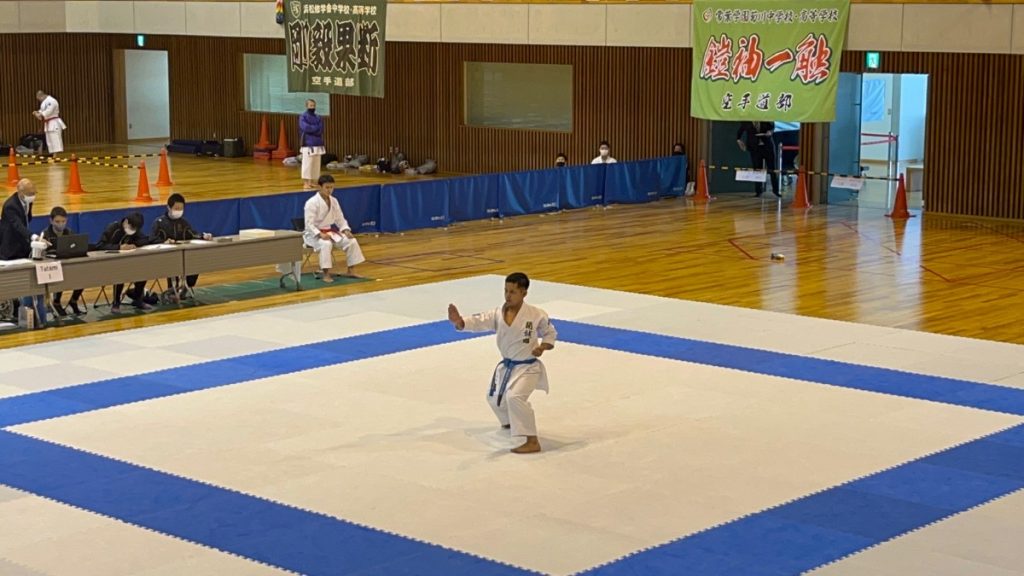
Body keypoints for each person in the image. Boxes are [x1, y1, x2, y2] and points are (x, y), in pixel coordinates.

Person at [447, 272, 557, 454]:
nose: (508, 295)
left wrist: (542, 347)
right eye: (506, 291)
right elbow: (479, 321)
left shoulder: (536, 314)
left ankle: (532, 440)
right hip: (507, 366)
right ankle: (510, 423)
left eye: (513, 292)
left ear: (524, 292)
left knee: (514, 397)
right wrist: (460, 322)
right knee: (494, 399)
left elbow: (550, 333)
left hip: (528, 366)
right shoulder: (498, 313)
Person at [303, 174, 365, 283]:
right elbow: (309, 224)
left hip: (329, 232)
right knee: (326, 244)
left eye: (331, 187)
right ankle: (326, 274)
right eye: (327, 187)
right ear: (319, 187)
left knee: (351, 241)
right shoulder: (311, 202)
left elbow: (340, 218)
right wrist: (319, 234)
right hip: (312, 235)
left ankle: (351, 270)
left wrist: (346, 229)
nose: (330, 190)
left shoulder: (334, 201)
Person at [152, 193, 213, 301]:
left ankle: (187, 286)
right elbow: (151, 239)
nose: (178, 211)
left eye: (181, 208)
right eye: (176, 208)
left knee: (196, 260)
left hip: (182, 254)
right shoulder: (159, 223)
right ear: (168, 208)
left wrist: (203, 236)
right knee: (174, 261)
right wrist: (164, 242)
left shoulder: (183, 222)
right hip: (165, 256)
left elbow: (191, 234)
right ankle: (172, 288)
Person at [96, 212, 152, 313]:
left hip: (128, 262)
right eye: (132, 227)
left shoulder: (135, 231)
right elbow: (100, 246)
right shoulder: (113, 228)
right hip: (110, 261)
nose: (133, 231)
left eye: (135, 229)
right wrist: (119, 247)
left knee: (143, 270)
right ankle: (116, 302)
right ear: (126, 222)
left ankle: (138, 298)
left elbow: (145, 240)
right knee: (120, 272)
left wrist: (133, 244)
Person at [42, 206, 85, 317]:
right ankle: (56, 302)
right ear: (51, 221)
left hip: (68, 264)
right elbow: (43, 254)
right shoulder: (45, 234)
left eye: (63, 221)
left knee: (83, 276)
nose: (60, 224)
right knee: (60, 276)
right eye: (57, 221)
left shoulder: (69, 232)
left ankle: (74, 301)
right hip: (53, 267)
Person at [736, 121, 780, 198]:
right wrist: (739, 141)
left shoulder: (765, 118)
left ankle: (775, 190)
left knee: (772, 169)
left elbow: (772, 127)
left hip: (767, 147)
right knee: (757, 169)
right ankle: (758, 191)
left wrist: (770, 132)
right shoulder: (746, 122)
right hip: (754, 148)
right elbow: (739, 132)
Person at [0, 179, 35, 260]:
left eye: (34, 193)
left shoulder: (28, 200)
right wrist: (33, 236)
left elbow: (27, 219)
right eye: (30, 194)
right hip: (11, 247)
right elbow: (18, 225)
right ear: (21, 193)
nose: (32, 196)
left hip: (23, 244)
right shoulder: (10, 206)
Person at [298, 99, 325, 189]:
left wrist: (314, 129)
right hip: (308, 142)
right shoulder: (303, 116)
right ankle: (306, 182)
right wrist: (314, 128)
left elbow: (320, 129)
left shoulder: (318, 117)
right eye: (311, 106)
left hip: (318, 142)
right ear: (307, 106)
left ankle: (312, 181)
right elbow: (305, 128)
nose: (312, 107)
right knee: (307, 163)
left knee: (316, 163)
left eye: (314, 105)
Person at [32, 90, 66, 157]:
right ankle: (53, 154)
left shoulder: (52, 101)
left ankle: (56, 155)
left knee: (55, 139)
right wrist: (37, 113)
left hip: (54, 122)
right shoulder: (44, 102)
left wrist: (39, 114)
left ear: (41, 96)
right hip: (48, 122)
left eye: (39, 99)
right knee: (49, 140)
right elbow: (41, 112)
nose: (39, 100)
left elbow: (48, 111)